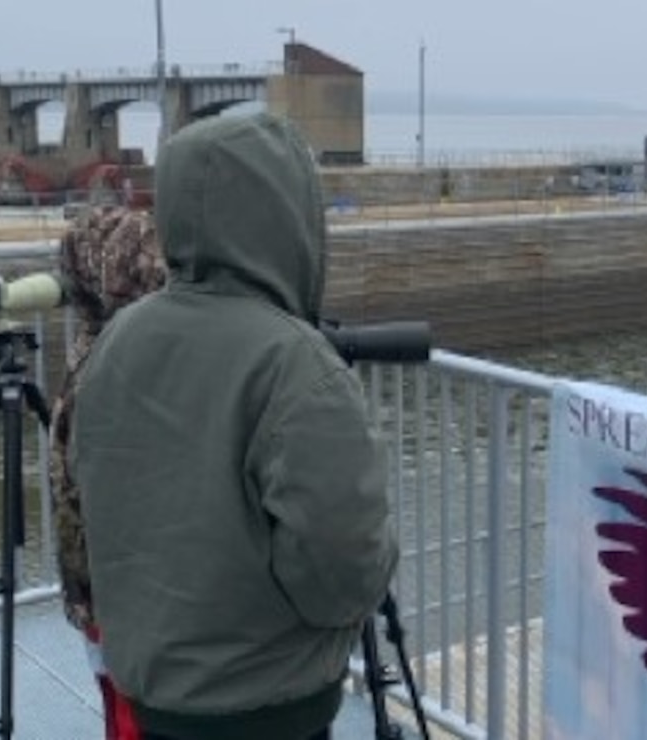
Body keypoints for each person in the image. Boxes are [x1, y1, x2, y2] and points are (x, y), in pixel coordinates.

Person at [70, 112, 399, 740]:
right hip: (270, 706)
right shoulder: (296, 365)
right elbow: (341, 570)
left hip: (155, 691)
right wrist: (384, 551)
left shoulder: (121, 337)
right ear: (289, 217)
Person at [50, 205, 167, 739]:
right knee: (136, 705)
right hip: (136, 585)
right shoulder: (144, 353)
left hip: (97, 578)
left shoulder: (92, 347)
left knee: (120, 700)